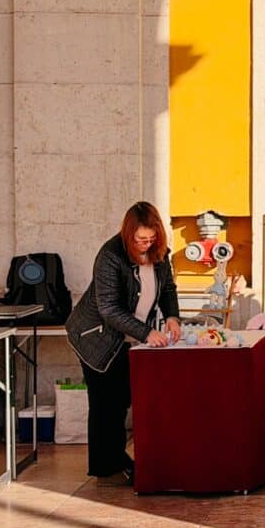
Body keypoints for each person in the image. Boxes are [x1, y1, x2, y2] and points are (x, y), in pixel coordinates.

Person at [65, 201, 181, 484]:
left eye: (151, 239)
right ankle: (108, 466)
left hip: (127, 335)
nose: (145, 245)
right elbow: (109, 309)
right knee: (107, 401)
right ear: (128, 234)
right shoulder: (110, 255)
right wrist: (146, 333)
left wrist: (173, 317)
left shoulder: (160, 255)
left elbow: (167, 288)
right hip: (95, 336)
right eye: (140, 239)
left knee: (123, 398)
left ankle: (116, 460)